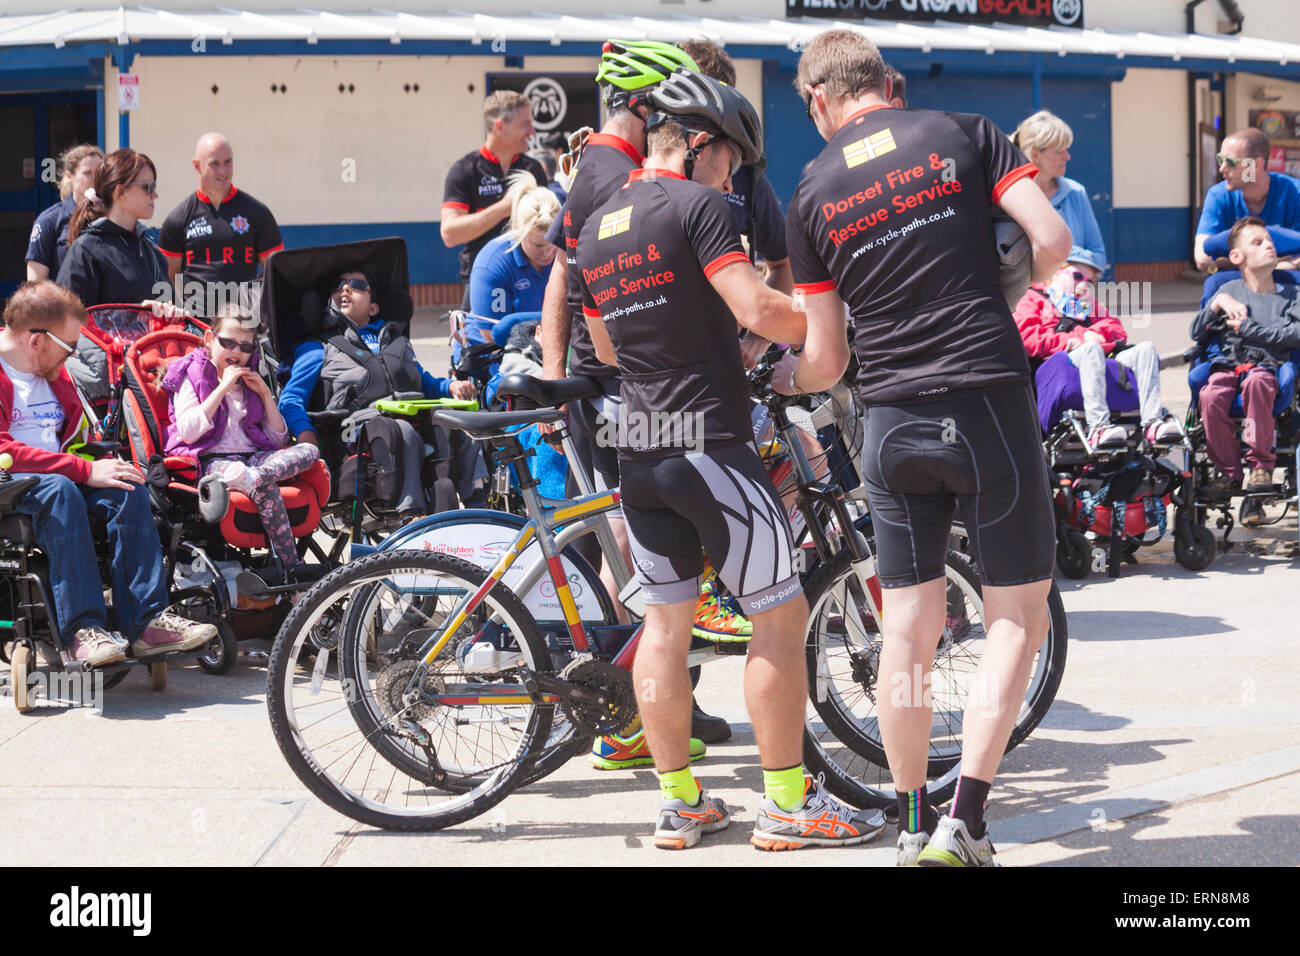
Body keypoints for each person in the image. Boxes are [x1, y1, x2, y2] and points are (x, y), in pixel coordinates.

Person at [578, 69, 882, 851]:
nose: (736, 181)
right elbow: (756, 307)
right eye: (733, 164)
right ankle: (787, 803)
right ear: (701, 145)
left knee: (665, 627)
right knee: (779, 617)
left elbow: (607, 344)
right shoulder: (701, 206)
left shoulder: (597, 225)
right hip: (708, 440)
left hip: (637, 448)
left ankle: (680, 803)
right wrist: (828, 330)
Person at [789, 29, 1072, 866]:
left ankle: (912, 822)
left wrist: (777, 373)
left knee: (907, 627)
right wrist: (1013, 282)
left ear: (819, 102)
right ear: (890, 85)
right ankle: (967, 823)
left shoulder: (809, 191)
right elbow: (1051, 243)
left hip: (891, 419)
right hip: (985, 399)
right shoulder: (966, 132)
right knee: (1014, 612)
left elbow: (827, 359)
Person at [0, 281, 217, 665]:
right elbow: (5, 451)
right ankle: (82, 631)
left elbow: (79, 438)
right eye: (68, 346)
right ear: (36, 341)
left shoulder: (52, 372)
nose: (71, 357)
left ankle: (147, 622)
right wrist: (82, 469)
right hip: (15, 485)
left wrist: (94, 464)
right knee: (60, 491)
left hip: (62, 475)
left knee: (128, 482)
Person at [278, 269, 475, 517]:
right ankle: (412, 513)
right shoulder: (318, 348)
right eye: (338, 285)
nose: (345, 289)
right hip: (353, 434)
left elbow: (421, 381)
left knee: (457, 424)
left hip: (409, 422)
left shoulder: (397, 341)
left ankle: (478, 511)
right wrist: (306, 435)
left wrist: (450, 387)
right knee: (401, 431)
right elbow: (290, 400)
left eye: (357, 284)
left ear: (374, 307)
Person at [162, 305, 320, 574]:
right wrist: (222, 387)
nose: (236, 353)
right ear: (211, 339)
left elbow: (277, 438)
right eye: (228, 343)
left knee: (309, 450)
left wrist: (266, 396)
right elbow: (188, 432)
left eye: (245, 347)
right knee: (265, 487)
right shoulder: (193, 373)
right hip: (212, 461)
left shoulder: (251, 377)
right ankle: (291, 566)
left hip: (252, 462)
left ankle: (256, 476)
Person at [1190, 217, 1300, 527]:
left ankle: (1259, 464)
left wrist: (1252, 329)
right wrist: (1216, 304)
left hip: (1266, 367)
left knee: (1256, 383)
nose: (1269, 245)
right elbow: (1197, 333)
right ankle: (1228, 472)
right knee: (1210, 395)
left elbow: (1295, 334)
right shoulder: (1225, 288)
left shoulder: (1290, 293)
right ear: (1237, 257)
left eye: (1270, 241)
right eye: (1258, 242)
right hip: (1227, 364)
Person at [1014, 263, 1181, 449]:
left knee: (1146, 349)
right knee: (1091, 349)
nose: (1084, 285)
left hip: (1099, 355)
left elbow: (1117, 330)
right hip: (1062, 361)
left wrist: (1095, 335)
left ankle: (1153, 424)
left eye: (1089, 281)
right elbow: (1027, 339)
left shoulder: (1087, 303)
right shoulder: (1031, 298)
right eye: (1077, 276)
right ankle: (1098, 427)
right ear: (1057, 275)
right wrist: (1080, 337)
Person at [441, 92, 547, 309]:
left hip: (531, 277)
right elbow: (450, 234)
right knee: (483, 342)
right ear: (500, 126)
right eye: (525, 124)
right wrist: (502, 209)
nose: (532, 132)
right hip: (482, 277)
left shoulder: (533, 169)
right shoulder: (464, 170)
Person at [157, 133, 283, 316]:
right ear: (196, 165)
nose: (223, 171)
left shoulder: (257, 213)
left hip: (244, 328)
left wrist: (254, 304)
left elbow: (276, 272)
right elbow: (167, 279)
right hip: (197, 327)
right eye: (214, 164)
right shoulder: (177, 219)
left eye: (228, 162)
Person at [459, 172, 560, 364]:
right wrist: (554, 319)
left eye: (553, 242)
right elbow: (492, 335)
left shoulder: (563, 252)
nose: (548, 253)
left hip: (545, 346)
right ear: (517, 230)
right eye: (539, 246)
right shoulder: (492, 264)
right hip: (493, 357)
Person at [56, 148, 170, 308]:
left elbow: (165, 316)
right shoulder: (86, 250)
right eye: (148, 187)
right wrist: (137, 315)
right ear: (121, 192)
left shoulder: (152, 251)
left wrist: (170, 315)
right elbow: (66, 321)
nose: (155, 195)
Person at [1012, 109, 1107, 279]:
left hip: (1071, 301)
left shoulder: (1076, 192)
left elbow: (1098, 256)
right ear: (1035, 154)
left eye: (1067, 149)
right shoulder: (1011, 197)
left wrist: (1059, 259)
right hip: (1027, 302)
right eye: (1059, 151)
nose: (1068, 157)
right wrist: (1072, 260)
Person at [1195, 128, 1300, 276]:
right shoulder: (1218, 195)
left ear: (1256, 165)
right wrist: (1268, 262)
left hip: (1287, 280)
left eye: (1230, 162)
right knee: (1215, 283)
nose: (1222, 168)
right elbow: (1201, 258)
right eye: (1220, 160)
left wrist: (1230, 261)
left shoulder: (1296, 193)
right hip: (1237, 279)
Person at [25, 144, 104, 282]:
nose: (95, 179)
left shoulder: (112, 216)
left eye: (99, 173)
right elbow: (35, 282)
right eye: (87, 173)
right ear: (69, 176)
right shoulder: (49, 220)